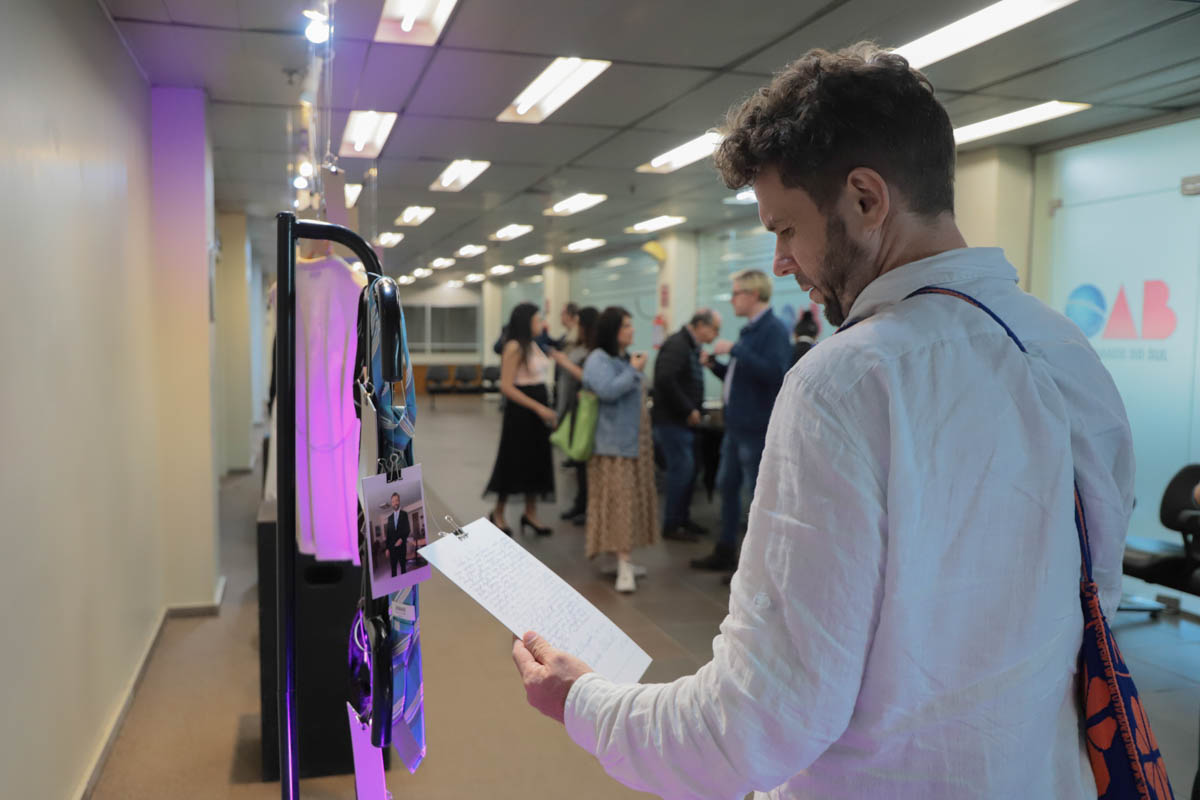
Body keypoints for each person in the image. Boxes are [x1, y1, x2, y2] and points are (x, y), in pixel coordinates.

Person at [511, 43, 1137, 799]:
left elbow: (754, 726)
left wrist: (582, 702)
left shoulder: (848, 381)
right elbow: (1093, 600)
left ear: (867, 199)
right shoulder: (1063, 350)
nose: (781, 261)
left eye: (784, 229)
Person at [691, 269, 791, 574]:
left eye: (736, 293)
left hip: (755, 428)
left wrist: (735, 350)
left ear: (753, 294)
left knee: (754, 497)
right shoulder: (750, 331)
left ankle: (756, 566)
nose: (732, 299)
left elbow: (775, 373)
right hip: (736, 427)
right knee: (727, 487)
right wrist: (716, 366)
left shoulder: (773, 330)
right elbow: (744, 378)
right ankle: (726, 550)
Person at [581, 307, 658, 592]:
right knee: (619, 503)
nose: (632, 330)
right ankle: (623, 565)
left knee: (630, 502)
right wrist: (634, 371)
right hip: (612, 447)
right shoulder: (598, 359)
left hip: (634, 443)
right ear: (612, 330)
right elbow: (608, 390)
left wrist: (633, 369)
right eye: (626, 326)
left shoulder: (623, 358)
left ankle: (623, 559)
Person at [484, 303, 556, 537]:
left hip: (537, 411)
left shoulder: (534, 345)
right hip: (521, 414)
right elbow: (506, 386)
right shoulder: (514, 346)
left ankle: (530, 513)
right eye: (537, 320)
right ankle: (498, 512)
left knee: (536, 462)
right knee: (514, 461)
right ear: (526, 322)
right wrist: (539, 408)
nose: (541, 324)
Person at [651, 308, 722, 542]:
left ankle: (682, 519)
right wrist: (687, 409)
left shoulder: (690, 346)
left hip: (684, 423)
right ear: (700, 325)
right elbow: (664, 379)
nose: (716, 335)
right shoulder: (678, 344)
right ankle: (672, 524)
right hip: (672, 422)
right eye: (715, 329)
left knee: (689, 472)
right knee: (681, 472)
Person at [550, 306, 599, 524]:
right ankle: (581, 503)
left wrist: (565, 363)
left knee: (586, 459)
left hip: (587, 411)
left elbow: (589, 378)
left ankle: (588, 506)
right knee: (579, 460)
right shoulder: (579, 346)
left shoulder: (596, 352)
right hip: (574, 408)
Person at [384, 492, 410, 577]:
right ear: (391, 503)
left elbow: (407, 530)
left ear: (399, 501)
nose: (395, 503)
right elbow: (388, 534)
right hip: (392, 549)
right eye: (393, 501)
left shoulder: (404, 514)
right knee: (393, 570)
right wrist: (387, 548)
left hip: (402, 547)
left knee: (403, 568)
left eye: (396, 500)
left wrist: (402, 539)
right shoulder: (389, 518)